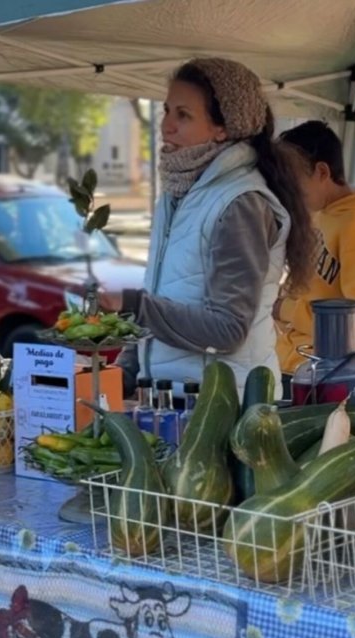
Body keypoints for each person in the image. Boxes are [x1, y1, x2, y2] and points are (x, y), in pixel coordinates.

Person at [100, 57, 315, 401]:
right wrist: (127, 370)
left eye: (183, 115)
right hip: (172, 400)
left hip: (227, 407)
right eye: (166, 111)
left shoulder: (240, 203)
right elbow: (166, 298)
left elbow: (227, 329)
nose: (166, 126)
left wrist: (134, 306)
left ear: (223, 128)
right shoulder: (178, 195)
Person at [275, 120, 355, 384]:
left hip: (327, 375)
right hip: (297, 364)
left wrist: (286, 310)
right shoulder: (321, 214)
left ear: (322, 172)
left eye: (293, 181)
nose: (288, 192)